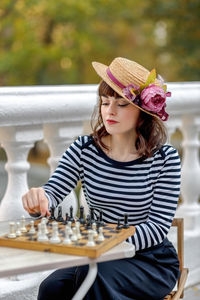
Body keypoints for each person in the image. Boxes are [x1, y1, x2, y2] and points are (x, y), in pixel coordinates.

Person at [22, 57, 181, 300]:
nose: (110, 111)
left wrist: (104, 241)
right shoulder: (85, 148)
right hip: (97, 254)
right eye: (105, 103)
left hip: (151, 261)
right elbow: (53, 191)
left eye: (122, 104)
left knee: (95, 280)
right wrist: (39, 198)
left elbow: (157, 228)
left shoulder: (165, 159)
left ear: (144, 111)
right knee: (52, 288)